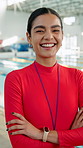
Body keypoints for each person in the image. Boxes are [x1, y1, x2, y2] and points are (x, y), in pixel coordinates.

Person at [4, 7, 83, 148]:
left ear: (62, 36)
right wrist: (69, 136)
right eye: (40, 30)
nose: (48, 36)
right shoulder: (15, 79)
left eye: (55, 30)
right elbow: (19, 143)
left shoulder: (77, 77)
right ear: (29, 37)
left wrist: (40, 134)